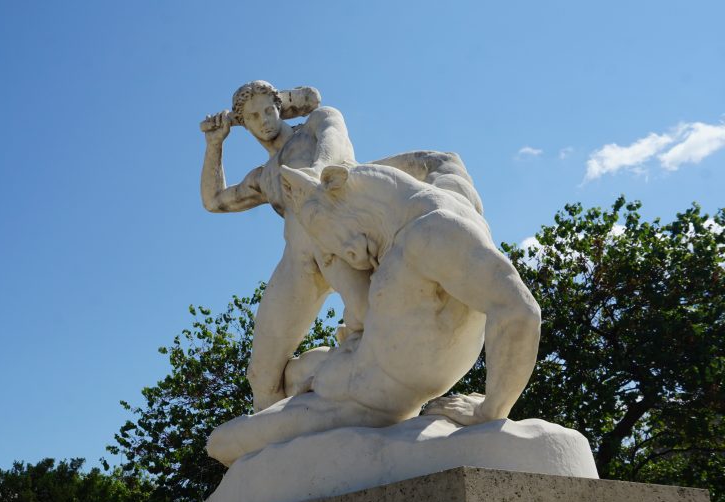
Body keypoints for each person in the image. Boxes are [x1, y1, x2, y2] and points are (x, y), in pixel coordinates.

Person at [205, 163, 541, 465]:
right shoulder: (447, 197)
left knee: (222, 443)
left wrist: (491, 410)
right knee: (290, 374)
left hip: (360, 403)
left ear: (338, 189)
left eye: (336, 236)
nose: (350, 254)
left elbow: (518, 311)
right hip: (350, 368)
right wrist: (353, 172)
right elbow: (441, 160)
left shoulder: (431, 234)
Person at [201, 81, 484, 412]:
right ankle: (282, 448)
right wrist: (214, 145)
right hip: (301, 264)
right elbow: (215, 200)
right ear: (244, 124)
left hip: (342, 231)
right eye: (253, 117)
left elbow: (333, 141)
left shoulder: (317, 121)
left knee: (382, 337)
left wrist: (317, 178)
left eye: (268, 110)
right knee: (262, 377)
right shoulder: (263, 177)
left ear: (280, 107)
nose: (264, 120)